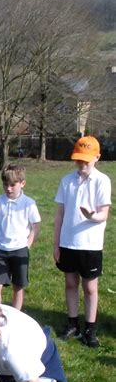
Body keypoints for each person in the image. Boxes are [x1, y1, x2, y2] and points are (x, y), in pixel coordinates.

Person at [54, 136, 111, 348]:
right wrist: (56, 243)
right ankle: (72, 324)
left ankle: (90, 328)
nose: (82, 164)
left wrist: (91, 216)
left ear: (97, 157)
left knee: (89, 288)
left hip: (90, 244)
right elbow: (59, 214)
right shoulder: (67, 181)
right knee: (70, 283)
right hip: (68, 242)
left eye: (86, 161)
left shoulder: (102, 180)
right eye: (78, 160)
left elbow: (104, 214)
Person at [0, 164, 41, 310]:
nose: (8, 189)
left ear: (22, 183)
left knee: (18, 286)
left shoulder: (29, 203)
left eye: (12, 185)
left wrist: (27, 246)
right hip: (0, 250)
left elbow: (36, 227)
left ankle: (16, 317)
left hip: (19, 250)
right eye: (5, 185)